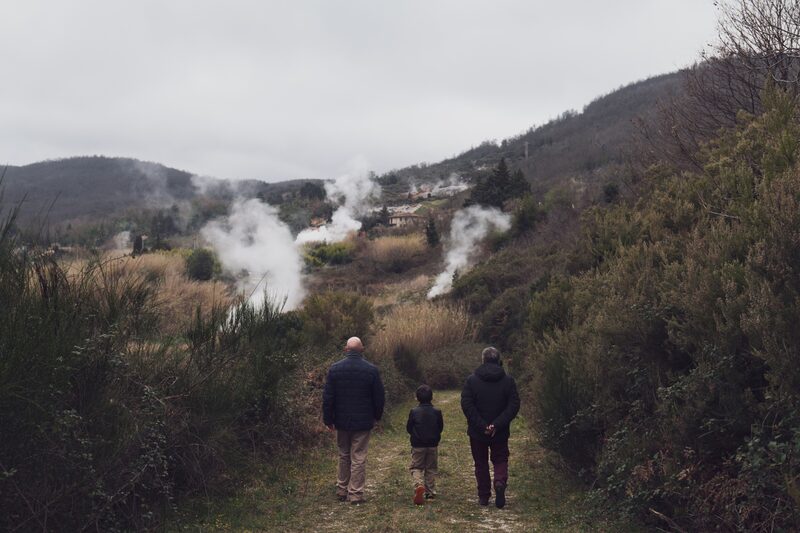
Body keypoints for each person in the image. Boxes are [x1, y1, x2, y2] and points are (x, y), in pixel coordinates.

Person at [322, 336, 385, 504]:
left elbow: (328, 397)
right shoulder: (371, 370)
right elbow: (379, 398)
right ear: (362, 350)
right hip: (363, 421)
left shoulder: (335, 369)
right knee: (358, 456)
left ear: (346, 349)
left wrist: (328, 419)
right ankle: (355, 494)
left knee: (343, 454)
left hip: (341, 421)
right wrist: (377, 416)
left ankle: (342, 490)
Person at [460, 347, 520, 508]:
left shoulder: (471, 380)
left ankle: (484, 496)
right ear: (498, 360)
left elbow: (467, 405)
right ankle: (499, 482)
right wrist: (497, 424)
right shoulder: (508, 381)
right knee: (500, 458)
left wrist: (482, 425)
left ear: (483, 360)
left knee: (480, 462)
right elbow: (513, 405)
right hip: (500, 431)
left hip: (477, 431)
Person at [406, 384, 444, 505]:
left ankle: (418, 485)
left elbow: (409, 428)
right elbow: (440, 427)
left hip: (418, 445)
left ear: (417, 398)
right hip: (432, 444)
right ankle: (430, 492)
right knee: (431, 468)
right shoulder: (437, 412)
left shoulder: (414, 412)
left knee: (416, 467)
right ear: (431, 397)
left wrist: (415, 434)